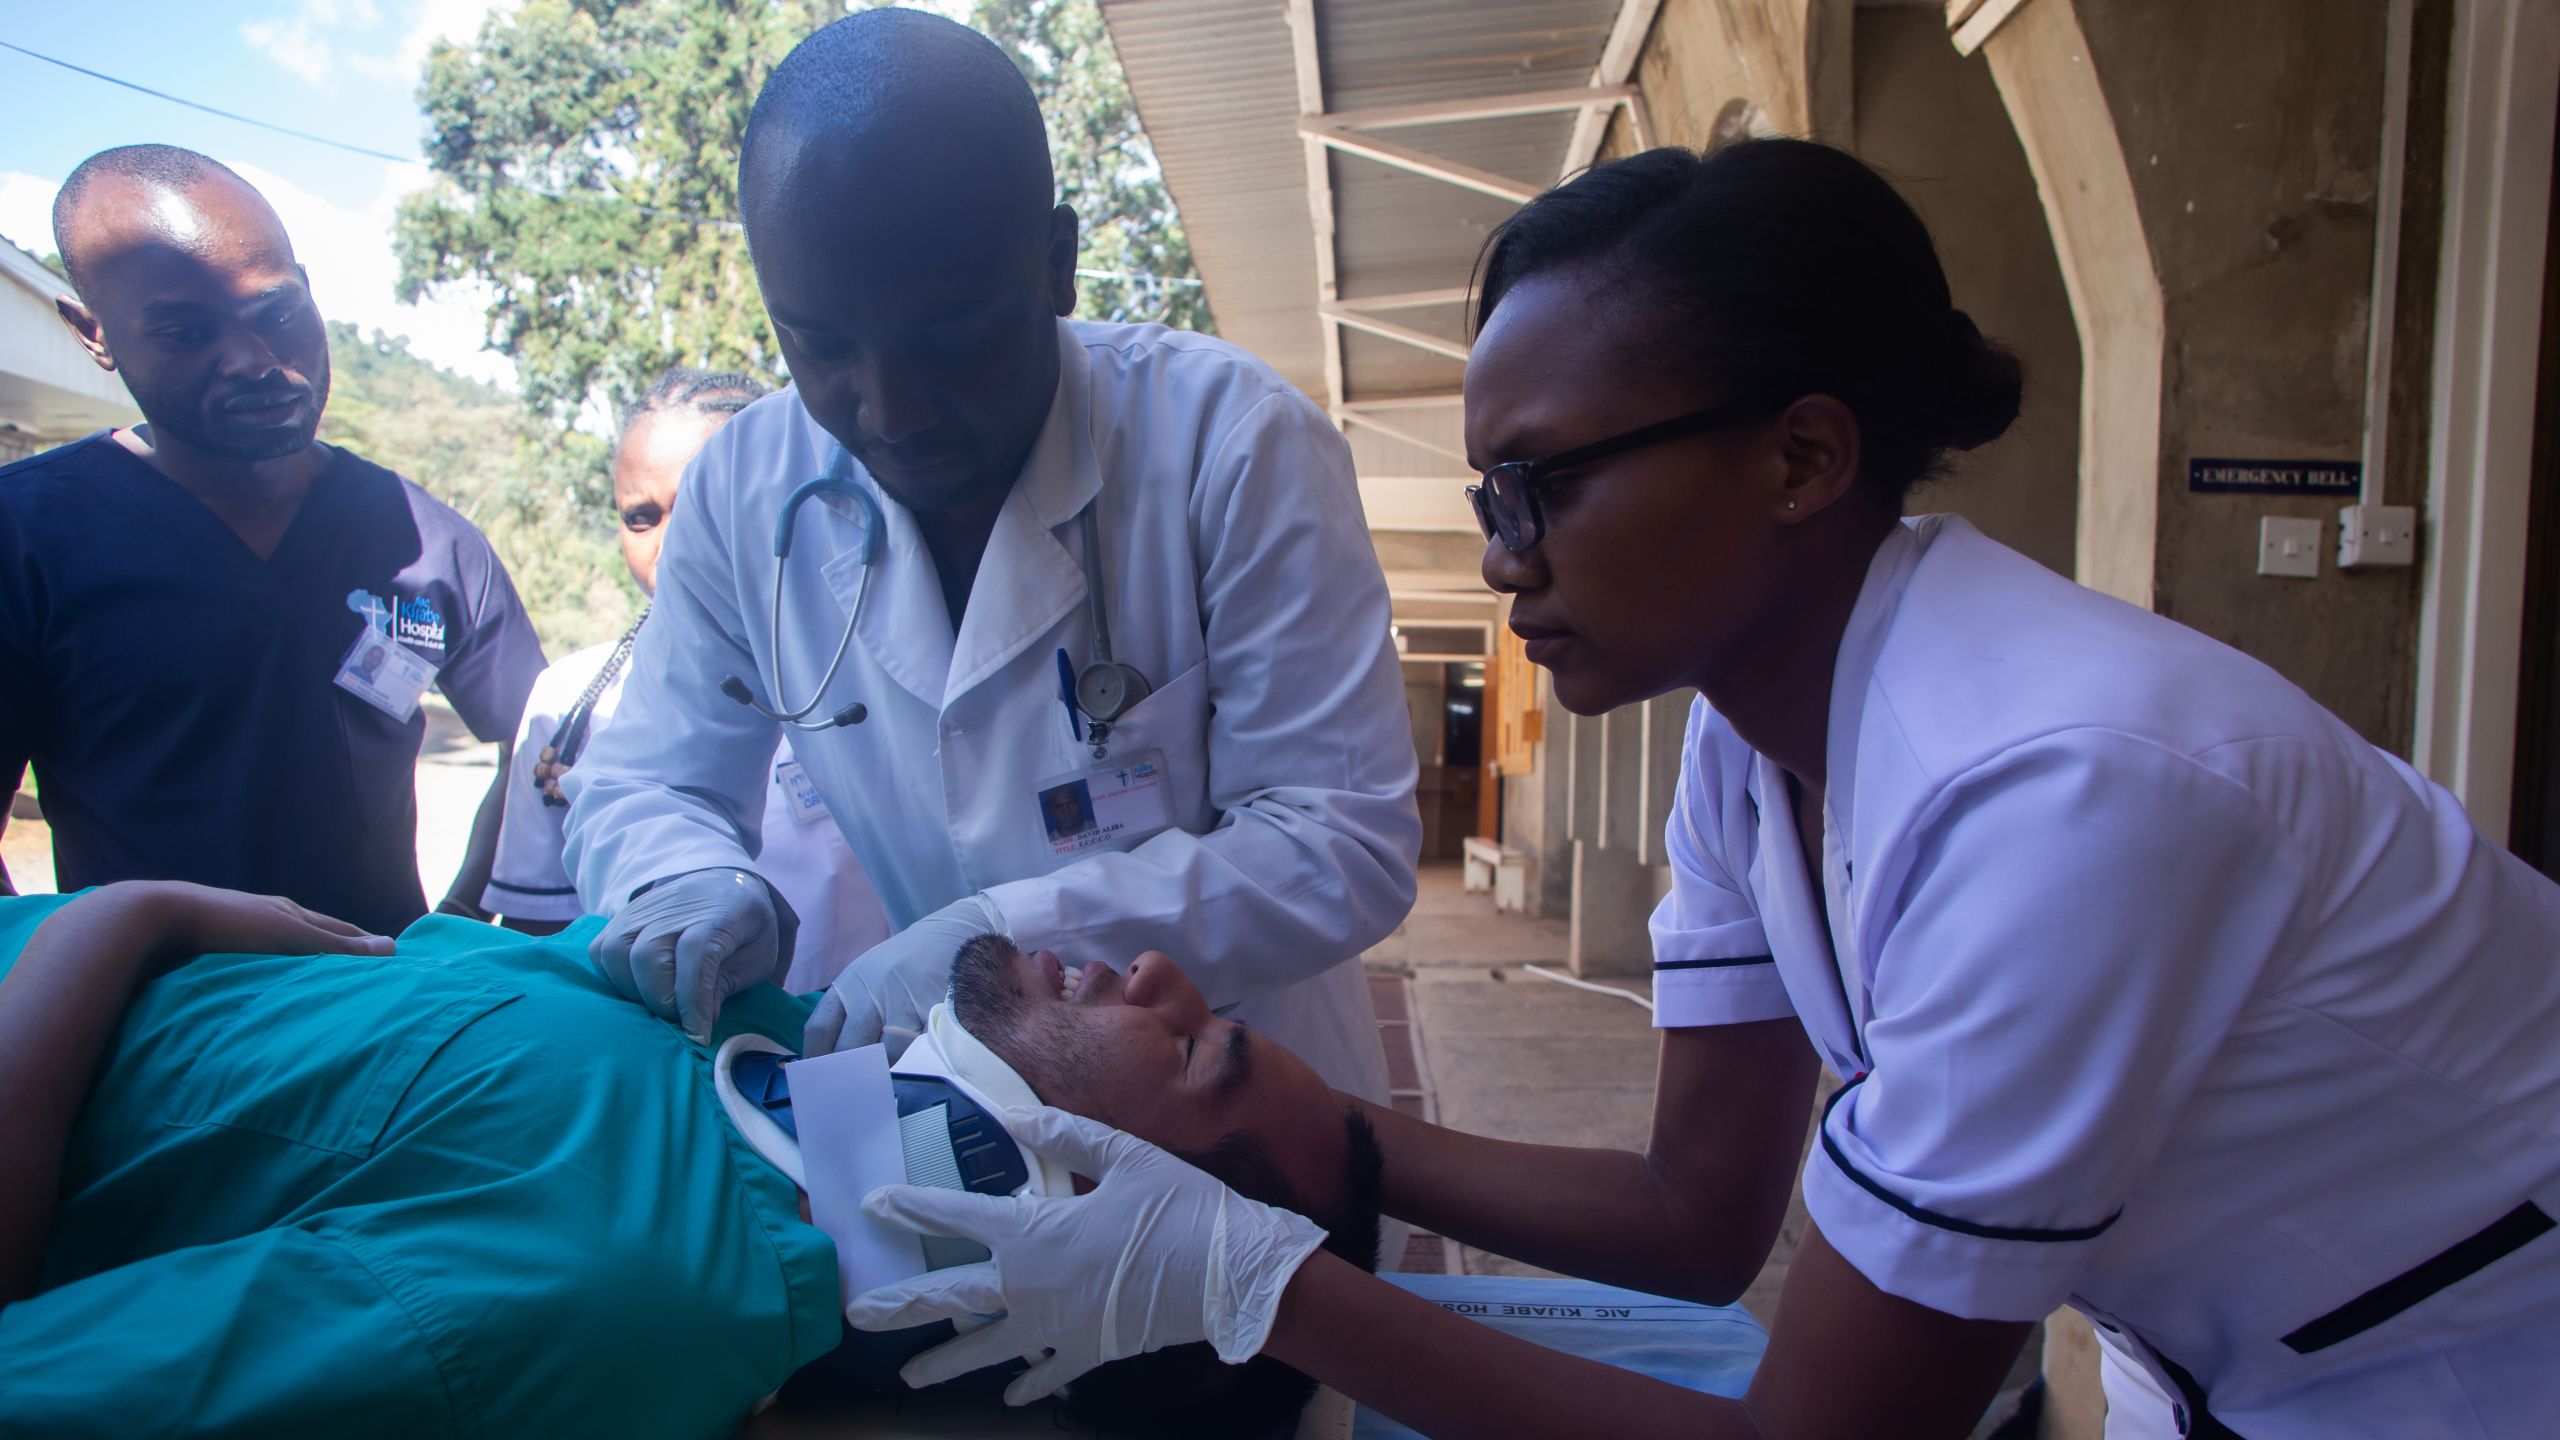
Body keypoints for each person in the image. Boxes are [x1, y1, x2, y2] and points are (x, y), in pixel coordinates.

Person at [850, 140, 2560, 1439]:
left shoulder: (2060, 791)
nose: (1505, 563)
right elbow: (1694, 1216)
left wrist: (1256, 1286)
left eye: (1539, 488)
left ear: (1802, 457)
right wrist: (1312, 1120)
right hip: (2246, 1352)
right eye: (1487, 499)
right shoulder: (1757, 744)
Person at [561, 10, 1419, 1100]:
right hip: (951, 1105)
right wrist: (684, 878)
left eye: (950, 338)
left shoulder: (1232, 442)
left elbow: (1339, 843)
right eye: (820, 346)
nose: (891, 407)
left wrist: (994, 943)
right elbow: (649, 779)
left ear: (1057, 263)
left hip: (1242, 1114)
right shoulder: (747, 490)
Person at [0, 881, 1378, 1438]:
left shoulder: (601, 1291)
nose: (1158, 970)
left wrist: (123, 920)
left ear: (1100, 1216)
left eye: (1200, 1049)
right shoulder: (762, 1051)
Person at [0, 145, 544, 933]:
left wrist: (458, 919)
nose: (254, 362)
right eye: (186, 333)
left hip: (385, 1016)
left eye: (277, 315)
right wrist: (63, 987)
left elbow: (543, 748)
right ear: (96, 335)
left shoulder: (432, 543)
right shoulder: (26, 540)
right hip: (153, 1030)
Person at [482, 368, 889, 988]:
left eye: (702, 502)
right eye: (641, 517)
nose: (674, 542)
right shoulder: (568, 704)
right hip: (677, 1059)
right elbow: (536, 934)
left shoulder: (865, 679)